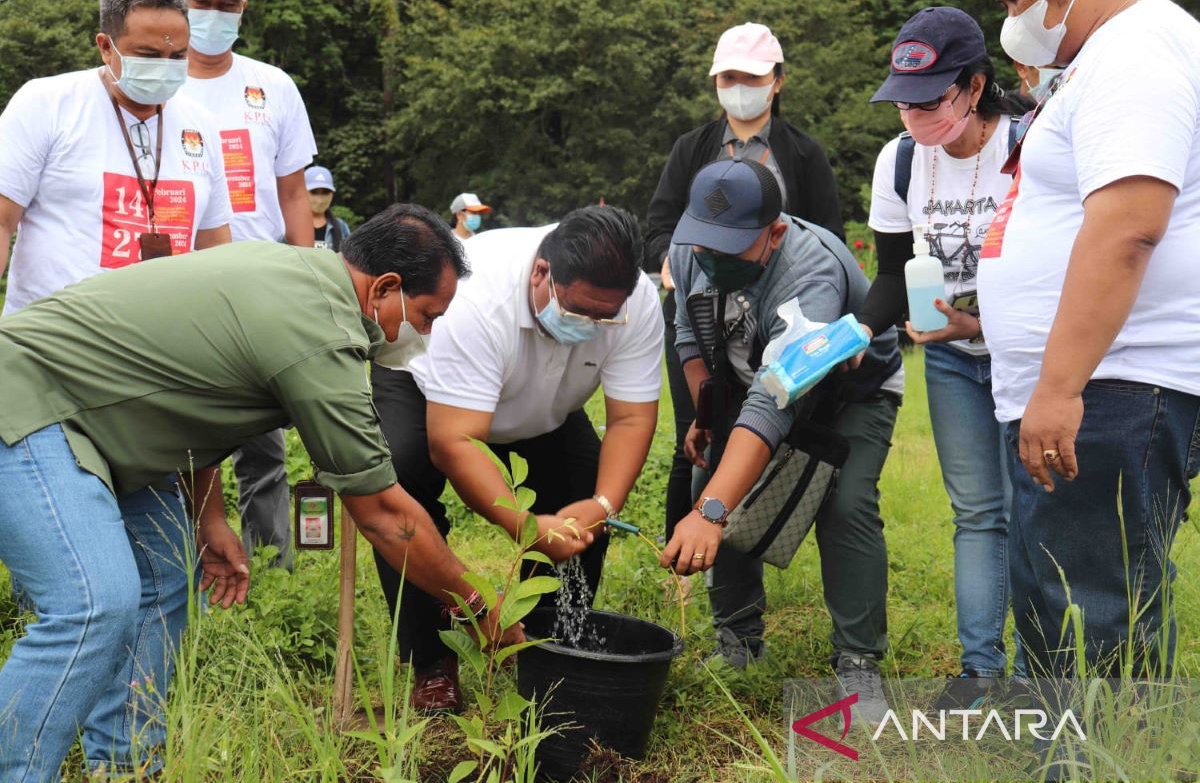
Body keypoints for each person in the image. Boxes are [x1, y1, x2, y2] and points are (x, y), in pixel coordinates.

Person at [0, 203, 579, 780]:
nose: (423, 334)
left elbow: (188, 387)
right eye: (426, 316)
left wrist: (210, 516)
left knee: (161, 581)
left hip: (96, 422)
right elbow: (387, 517)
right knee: (94, 604)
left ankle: (124, 765)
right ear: (386, 287)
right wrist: (479, 604)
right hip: (30, 403)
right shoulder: (318, 331)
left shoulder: (294, 272)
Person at [982, 0, 1200, 683]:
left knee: (1093, 618)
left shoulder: (1137, 49)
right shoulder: (1109, 53)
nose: (1011, 13)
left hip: (1114, 384)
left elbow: (1128, 224)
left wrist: (1059, 385)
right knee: (1063, 604)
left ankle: (1100, 762)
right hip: (1097, 386)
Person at [370, 206, 663, 712]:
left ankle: (545, 648)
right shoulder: (475, 298)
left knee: (582, 488)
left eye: (604, 318)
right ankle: (432, 661)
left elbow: (631, 421)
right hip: (428, 391)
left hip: (541, 404)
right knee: (401, 482)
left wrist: (601, 503)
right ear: (541, 273)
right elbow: (455, 442)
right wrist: (526, 526)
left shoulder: (633, 301)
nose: (592, 327)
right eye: (579, 314)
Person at [661, 158, 903, 724]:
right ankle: (738, 642)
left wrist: (712, 512)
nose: (713, 259)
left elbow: (776, 401)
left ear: (774, 233)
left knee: (844, 504)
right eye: (705, 246)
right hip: (752, 383)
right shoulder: (686, 245)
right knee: (715, 479)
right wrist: (705, 414)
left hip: (851, 393)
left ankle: (859, 661)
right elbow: (687, 337)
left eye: (731, 248)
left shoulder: (809, 275)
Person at [862, 7, 1027, 708]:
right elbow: (892, 276)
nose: (914, 116)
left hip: (1030, 355)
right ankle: (980, 667)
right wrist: (848, 338)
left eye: (929, 100)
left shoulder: (1031, 145)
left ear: (975, 86)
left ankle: (1044, 669)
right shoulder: (900, 161)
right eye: (903, 101)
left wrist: (979, 321)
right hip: (955, 363)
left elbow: (1065, 270)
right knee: (978, 512)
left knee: (1039, 510)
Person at [645, 23, 846, 596]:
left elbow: (824, 241)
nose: (740, 89)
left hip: (785, 318)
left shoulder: (803, 153)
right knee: (701, 437)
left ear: (776, 83)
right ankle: (686, 564)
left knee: (769, 417)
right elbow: (661, 228)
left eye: (752, 78)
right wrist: (674, 264)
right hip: (704, 314)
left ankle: (730, 526)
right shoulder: (692, 150)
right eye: (729, 77)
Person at [180, 0, 320, 571]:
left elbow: (293, 191)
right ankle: (180, 573)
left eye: (226, 2)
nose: (213, 13)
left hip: (257, 288)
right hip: (176, 283)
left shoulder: (272, 86)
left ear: (243, 9)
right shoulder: (155, 82)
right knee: (178, 434)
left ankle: (271, 570)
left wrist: (309, 273)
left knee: (263, 442)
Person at [0, 0, 231, 315]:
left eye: (178, 56)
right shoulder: (47, 104)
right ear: (106, 47)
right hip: (54, 347)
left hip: (164, 346)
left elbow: (216, 250)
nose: (165, 66)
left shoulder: (201, 125)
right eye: (149, 55)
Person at [306, 165, 351, 251]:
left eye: (325, 192)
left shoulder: (341, 227)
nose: (320, 199)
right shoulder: (290, 227)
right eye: (314, 192)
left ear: (332, 194)